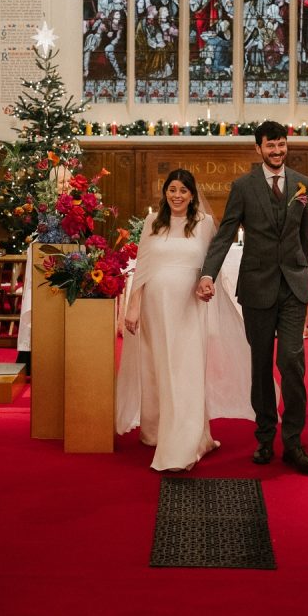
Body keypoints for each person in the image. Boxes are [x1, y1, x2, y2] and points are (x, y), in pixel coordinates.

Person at [196, 121, 308, 476]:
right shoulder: (243, 187)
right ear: (258, 149)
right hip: (257, 288)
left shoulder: (302, 184)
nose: (277, 151)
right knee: (261, 365)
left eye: (281, 145)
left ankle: (294, 441)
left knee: (292, 362)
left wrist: (307, 290)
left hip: (293, 288)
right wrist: (208, 274)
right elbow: (224, 235)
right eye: (270, 146)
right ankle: (265, 437)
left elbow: (304, 242)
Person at [116, 169, 252, 471]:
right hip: (155, 305)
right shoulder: (154, 222)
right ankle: (155, 430)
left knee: (186, 369)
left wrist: (206, 284)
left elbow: (211, 264)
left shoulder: (203, 224)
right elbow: (143, 266)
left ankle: (186, 442)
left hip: (188, 307)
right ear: (165, 192)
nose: (177, 195)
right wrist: (133, 306)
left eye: (183, 191)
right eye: (172, 189)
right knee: (158, 366)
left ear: (192, 195)